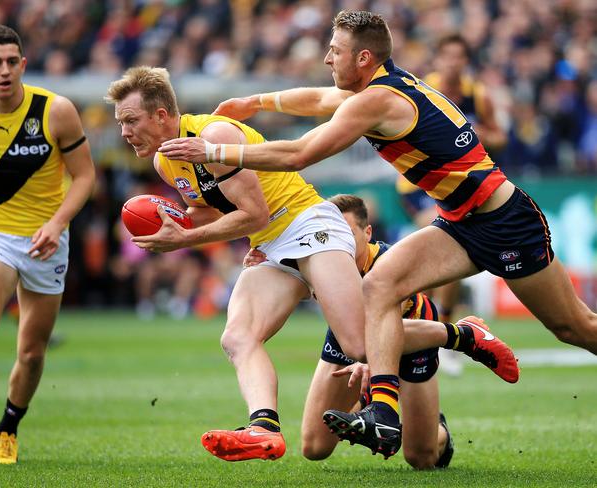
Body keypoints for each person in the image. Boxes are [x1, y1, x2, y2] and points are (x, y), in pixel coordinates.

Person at [159, 10, 597, 459]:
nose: (328, 59)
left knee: (574, 327)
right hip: (461, 221)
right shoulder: (375, 89)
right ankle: (384, 415)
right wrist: (256, 102)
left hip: (504, 220)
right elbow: (317, 100)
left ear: (364, 57)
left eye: (335, 51)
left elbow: (299, 154)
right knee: (380, 285)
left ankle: (415, 383)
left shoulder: (377, 100)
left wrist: (213, 150)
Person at [106, 65, 516, 462]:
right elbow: (214, 212)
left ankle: (462, 335)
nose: (124, 131)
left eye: (130, 120)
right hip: (271, 244)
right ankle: (263, 429)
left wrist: (187, 239)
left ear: (162, 115)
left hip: (309, 225)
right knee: (237, 337)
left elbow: (254, 214)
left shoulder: (213, 135)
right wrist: (173, 221)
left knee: (358, 343)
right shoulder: (165, 160)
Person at [246, 194, 517, 469]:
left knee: (421, 457)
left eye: (347, 233)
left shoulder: (387, 262)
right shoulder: (321, 254)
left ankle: (459, 341)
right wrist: (265, 258)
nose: (341, 242)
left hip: (413, 331)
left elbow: (387, 321)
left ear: (368, 232)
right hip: (351, 337)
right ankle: (370, 405)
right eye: (332, 233)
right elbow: (289, 278)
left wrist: (370, 361)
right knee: (314, 447)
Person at [0, 25, 95, 464]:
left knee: (31, 353)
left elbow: (85, 177)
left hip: (48, 242)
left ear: (24, 65)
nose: (5, 70)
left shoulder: (56, 111)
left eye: (12, 61)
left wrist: (57, 223)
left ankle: (8, 427)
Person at [396, 33, 508, 376]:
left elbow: (501, 138)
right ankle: (442, 330)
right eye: (447, 56)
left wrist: (481, 133)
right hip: (418, 187)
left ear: (465, 61)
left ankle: (434, 329)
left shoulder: (478, 95)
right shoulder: (423, 90)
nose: (453, 63)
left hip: (457, 187)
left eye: (459, 57)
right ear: (439, 60)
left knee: (439, 261)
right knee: (442, 245)